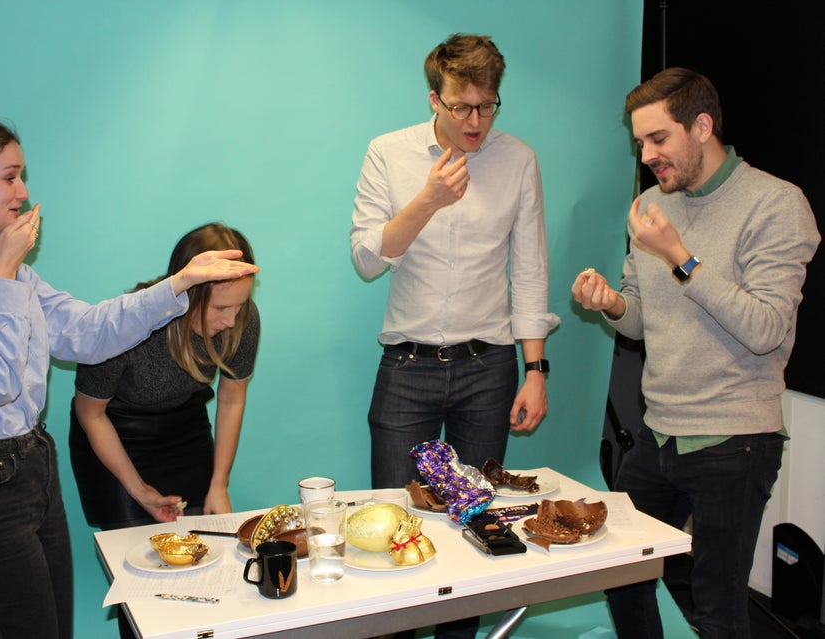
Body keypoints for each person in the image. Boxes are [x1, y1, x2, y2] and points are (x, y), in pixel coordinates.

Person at [0, 114, 259, 639]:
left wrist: (179, 285)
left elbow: (89, 333)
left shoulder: (1, 267)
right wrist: (4, 276)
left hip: (30, 465)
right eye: (9, 176)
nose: (23, 192)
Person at [571, 68, 819, 638]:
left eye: (658, 139)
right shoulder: (653, 205)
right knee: (621, 570)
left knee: (717, 606)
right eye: (640, 144)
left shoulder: (777, 205)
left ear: (702, 126)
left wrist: (681, 257)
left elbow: (766, 328)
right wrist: (610, 303)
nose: (648, 156)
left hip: (734, 439)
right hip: (659, 432)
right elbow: (640, 317)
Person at [350, 33, 559, 639]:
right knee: (393, 527)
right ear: (434, 99)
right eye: (461, 106)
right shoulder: (388, 153)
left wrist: (535, 371)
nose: (475, 121)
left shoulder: (518, 159)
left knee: (475, 526)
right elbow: (366, 257)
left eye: (488, 105)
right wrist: (428, 200)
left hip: (488, 369)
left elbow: (531, 268)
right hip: (407, 366)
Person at [69, 222, 258, 526]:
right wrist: (139, 490)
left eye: (240, 306)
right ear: (188, 294)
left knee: (200, 542)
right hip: (117, 436)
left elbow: (232, 399)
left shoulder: (241, 320)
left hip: (185, 431)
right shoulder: (129, 323)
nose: (231, 320)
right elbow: (90, 413)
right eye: (220, 307)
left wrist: (219, 483)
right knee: (136, 551)